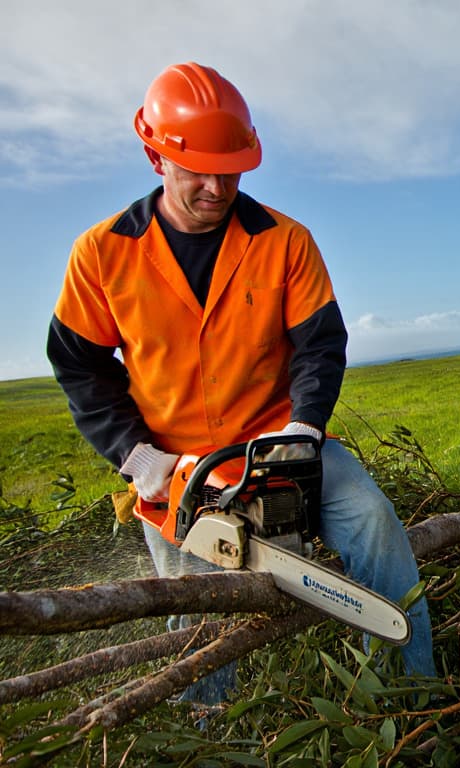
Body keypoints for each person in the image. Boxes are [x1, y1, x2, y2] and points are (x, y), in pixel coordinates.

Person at [46, 62, 436, 705]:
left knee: (372, 519)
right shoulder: (103, 252)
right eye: (195, 168)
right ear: (154, 157)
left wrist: (304, 428)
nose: (215, 185)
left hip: (278, 442)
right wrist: (137, 456)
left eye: (228, 168)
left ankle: (414, 698)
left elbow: (319, 345)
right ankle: (206, 736)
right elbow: (79, 365)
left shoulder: (284, 241)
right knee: (199, 621)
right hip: (177, 466)